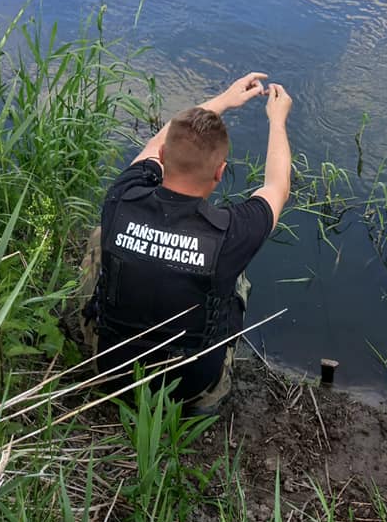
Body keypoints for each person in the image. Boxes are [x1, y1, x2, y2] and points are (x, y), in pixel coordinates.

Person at [81, 72, 292, 413]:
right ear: (220, 172)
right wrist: (277, 121)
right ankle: (201, 397)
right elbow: (277, 187)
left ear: (162, 157)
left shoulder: (123, 195)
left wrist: (222, 100)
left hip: (111, 371)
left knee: (101, 236)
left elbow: (152, 145)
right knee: (234, 276)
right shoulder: (230, 234)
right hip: (191, 391)